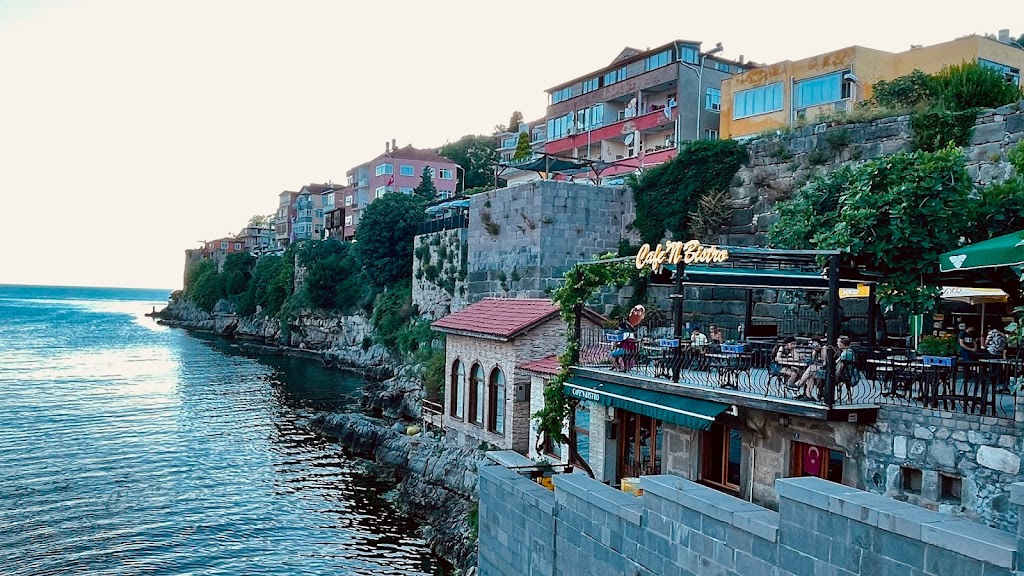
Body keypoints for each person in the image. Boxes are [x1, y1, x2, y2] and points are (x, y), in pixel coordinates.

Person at [835, 336, 859, 402]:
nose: (837, 344)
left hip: (846, 375)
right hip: (846, 374)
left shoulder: (846, 354)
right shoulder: (847, 352)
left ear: (843, 344)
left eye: (838, 342)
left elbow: (837, 363)